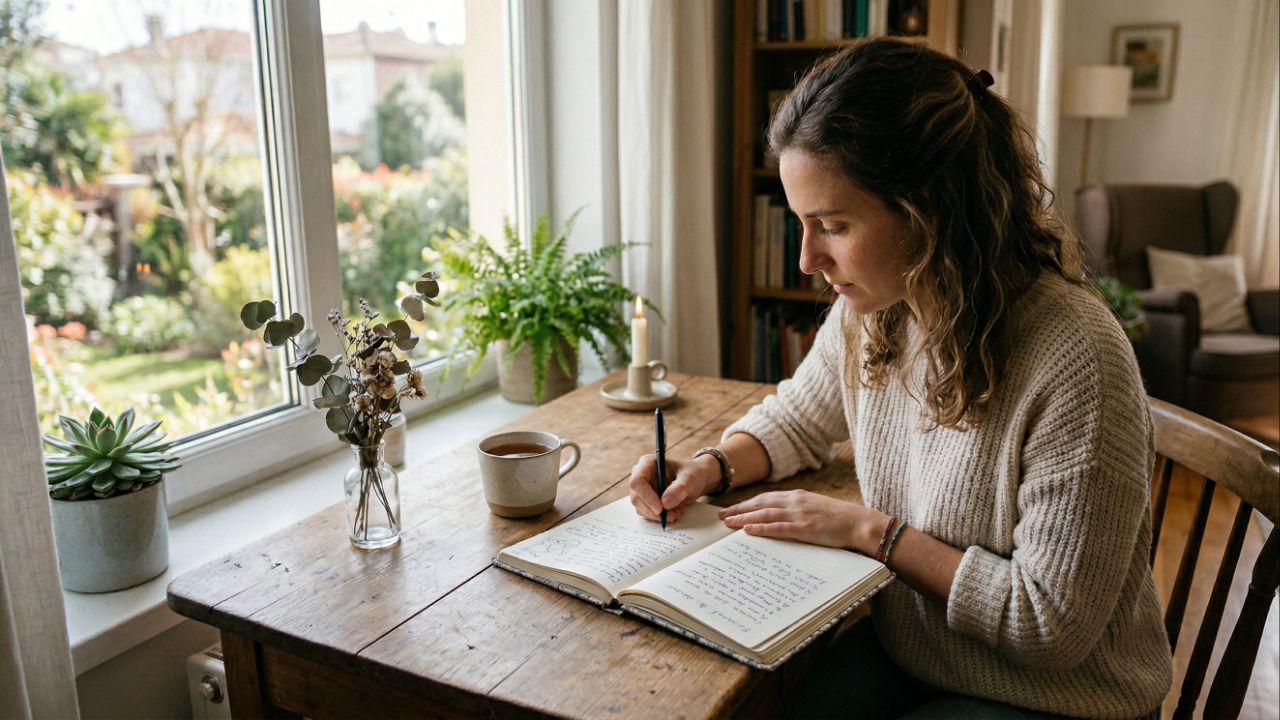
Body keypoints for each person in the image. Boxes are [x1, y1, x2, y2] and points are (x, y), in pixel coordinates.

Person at [627, 38, 1171, 720]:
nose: (807, 259)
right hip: (918, 651)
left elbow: (1048, 625)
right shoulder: (879, 303)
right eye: (801, 224)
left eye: (832, 225)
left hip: (1062, 699)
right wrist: (709, 468)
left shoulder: (1076, 357)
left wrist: (871, 533)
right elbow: (800, 417)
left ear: (928, 212)